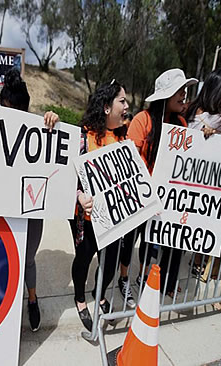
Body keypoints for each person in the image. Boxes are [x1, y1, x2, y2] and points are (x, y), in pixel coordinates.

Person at [124, 68, 198, 298]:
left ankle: (143, 275)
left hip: (164, 199)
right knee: (130, 241)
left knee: (150, 242)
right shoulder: (142, 120)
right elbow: (132, 161)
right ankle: (123, 278)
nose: (184, 94)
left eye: (185, 89)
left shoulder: (182, 123)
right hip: (140, 196)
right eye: (180, 90)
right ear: (166, 94)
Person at [0, 67, 57, 332]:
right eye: (5, 108)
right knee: (4, 258)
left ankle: (32, 300)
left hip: (32, 209)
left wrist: (53, 123)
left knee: (28, 259)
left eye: (14, 110)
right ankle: (6, 304)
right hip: (3, 208)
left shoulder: (41, 128)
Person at [70, 79, 129, 331]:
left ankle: (100, 293)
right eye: (122, 101)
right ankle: (81, 298)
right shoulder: (81, 135)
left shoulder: (122, 138)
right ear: (107, 107)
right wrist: (79, 196)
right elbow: (64, 174)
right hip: (85, 217)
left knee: (112, 260)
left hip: (114, 217)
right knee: (84, 258)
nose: (127, 106)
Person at [186, 69, 221, 277]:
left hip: (202, 182)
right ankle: (196, 262)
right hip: (192, 181)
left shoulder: (214, 116)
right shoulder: (213, 117)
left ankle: (198, 262)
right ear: (219, 90)